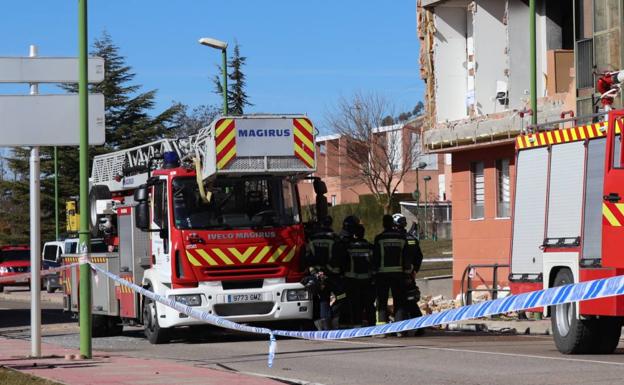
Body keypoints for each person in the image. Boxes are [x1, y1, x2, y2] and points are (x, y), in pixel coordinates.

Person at [373, 214, 413, 331]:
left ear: (383, 224)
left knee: (382, 300)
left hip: (382, 274)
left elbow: (376, 257)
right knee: (399, 301)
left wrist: (374, 273)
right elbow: (406, 257)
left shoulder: (379, 238)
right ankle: (399, 329)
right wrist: (407, 273)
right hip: (398, 274)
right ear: (393, 224)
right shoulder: (401, 238)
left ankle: (382, 329)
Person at [394, 214, 425, 336]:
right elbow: (419, 256)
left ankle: (401, 329)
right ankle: (420, 326)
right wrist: (415, 271)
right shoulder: (412, 238)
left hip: (398, 275)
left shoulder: (396, 240)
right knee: (411, 301)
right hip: (410, 275)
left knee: (400, 301)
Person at [344, 223, 375, 327]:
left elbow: (344, 263)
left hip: (352, 281)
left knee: (355, 305)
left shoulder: (348, 247)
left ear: (354, 234)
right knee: (369, 305)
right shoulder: (370, 246)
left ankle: (357, 326)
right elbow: (374, 263)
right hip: (367, 280)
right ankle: (372, 325)